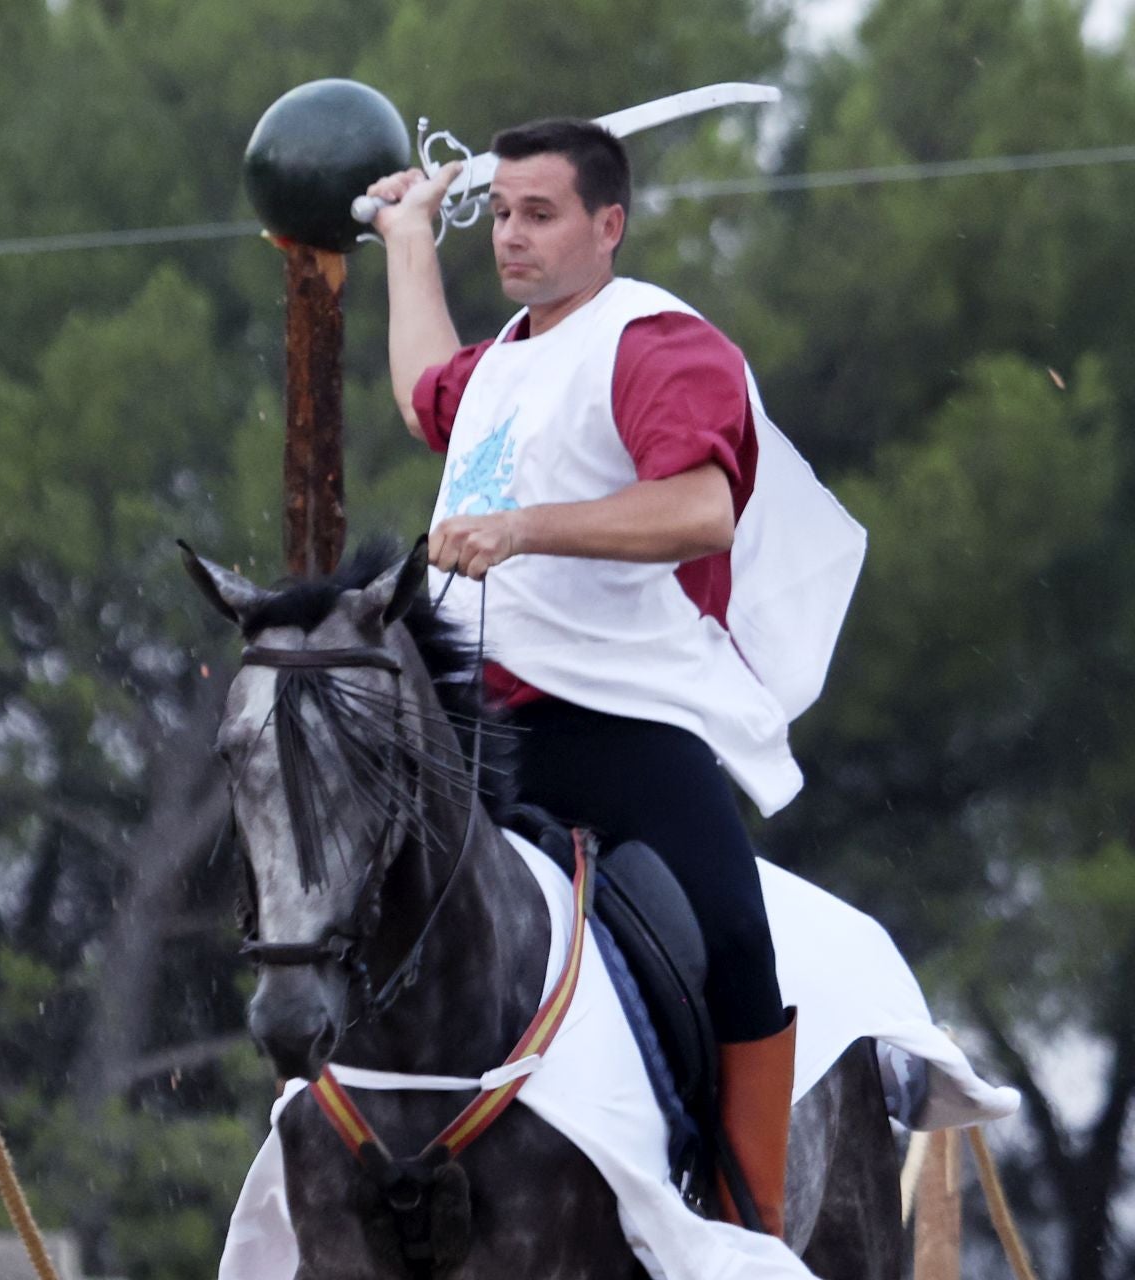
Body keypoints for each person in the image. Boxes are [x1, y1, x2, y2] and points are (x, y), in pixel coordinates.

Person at [362, 118, 864, 1237]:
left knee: (735, 937)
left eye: (539, 215)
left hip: (618, 719)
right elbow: (421, 396)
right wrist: (407, 239)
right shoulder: (502, 360)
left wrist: (524, 527)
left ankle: (748, 1221)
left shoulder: (656, 339)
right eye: (500, 215)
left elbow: (699, 508)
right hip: (472, 723)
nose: (512, 239)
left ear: (609, 224)